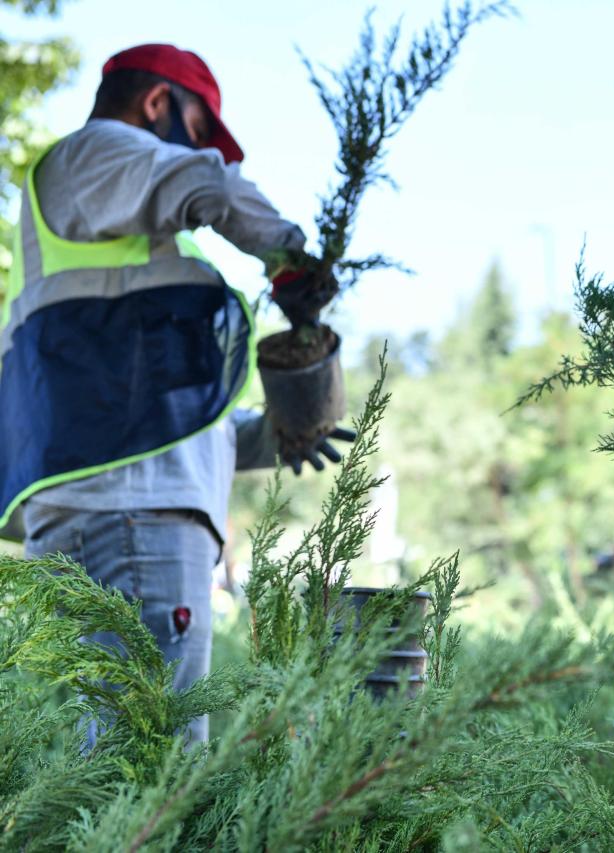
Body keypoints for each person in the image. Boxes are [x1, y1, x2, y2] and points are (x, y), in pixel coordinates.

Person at [0, 44, 342, 742]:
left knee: (102, 770)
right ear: (156, 104)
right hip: (133, 522)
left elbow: (151, 417)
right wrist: (287, 256)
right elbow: (208, 184)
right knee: (157, 765)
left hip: (113, 510)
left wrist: (272, 434)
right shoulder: (97, 152)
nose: (208, 152)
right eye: (198, 128)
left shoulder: (113, 258)